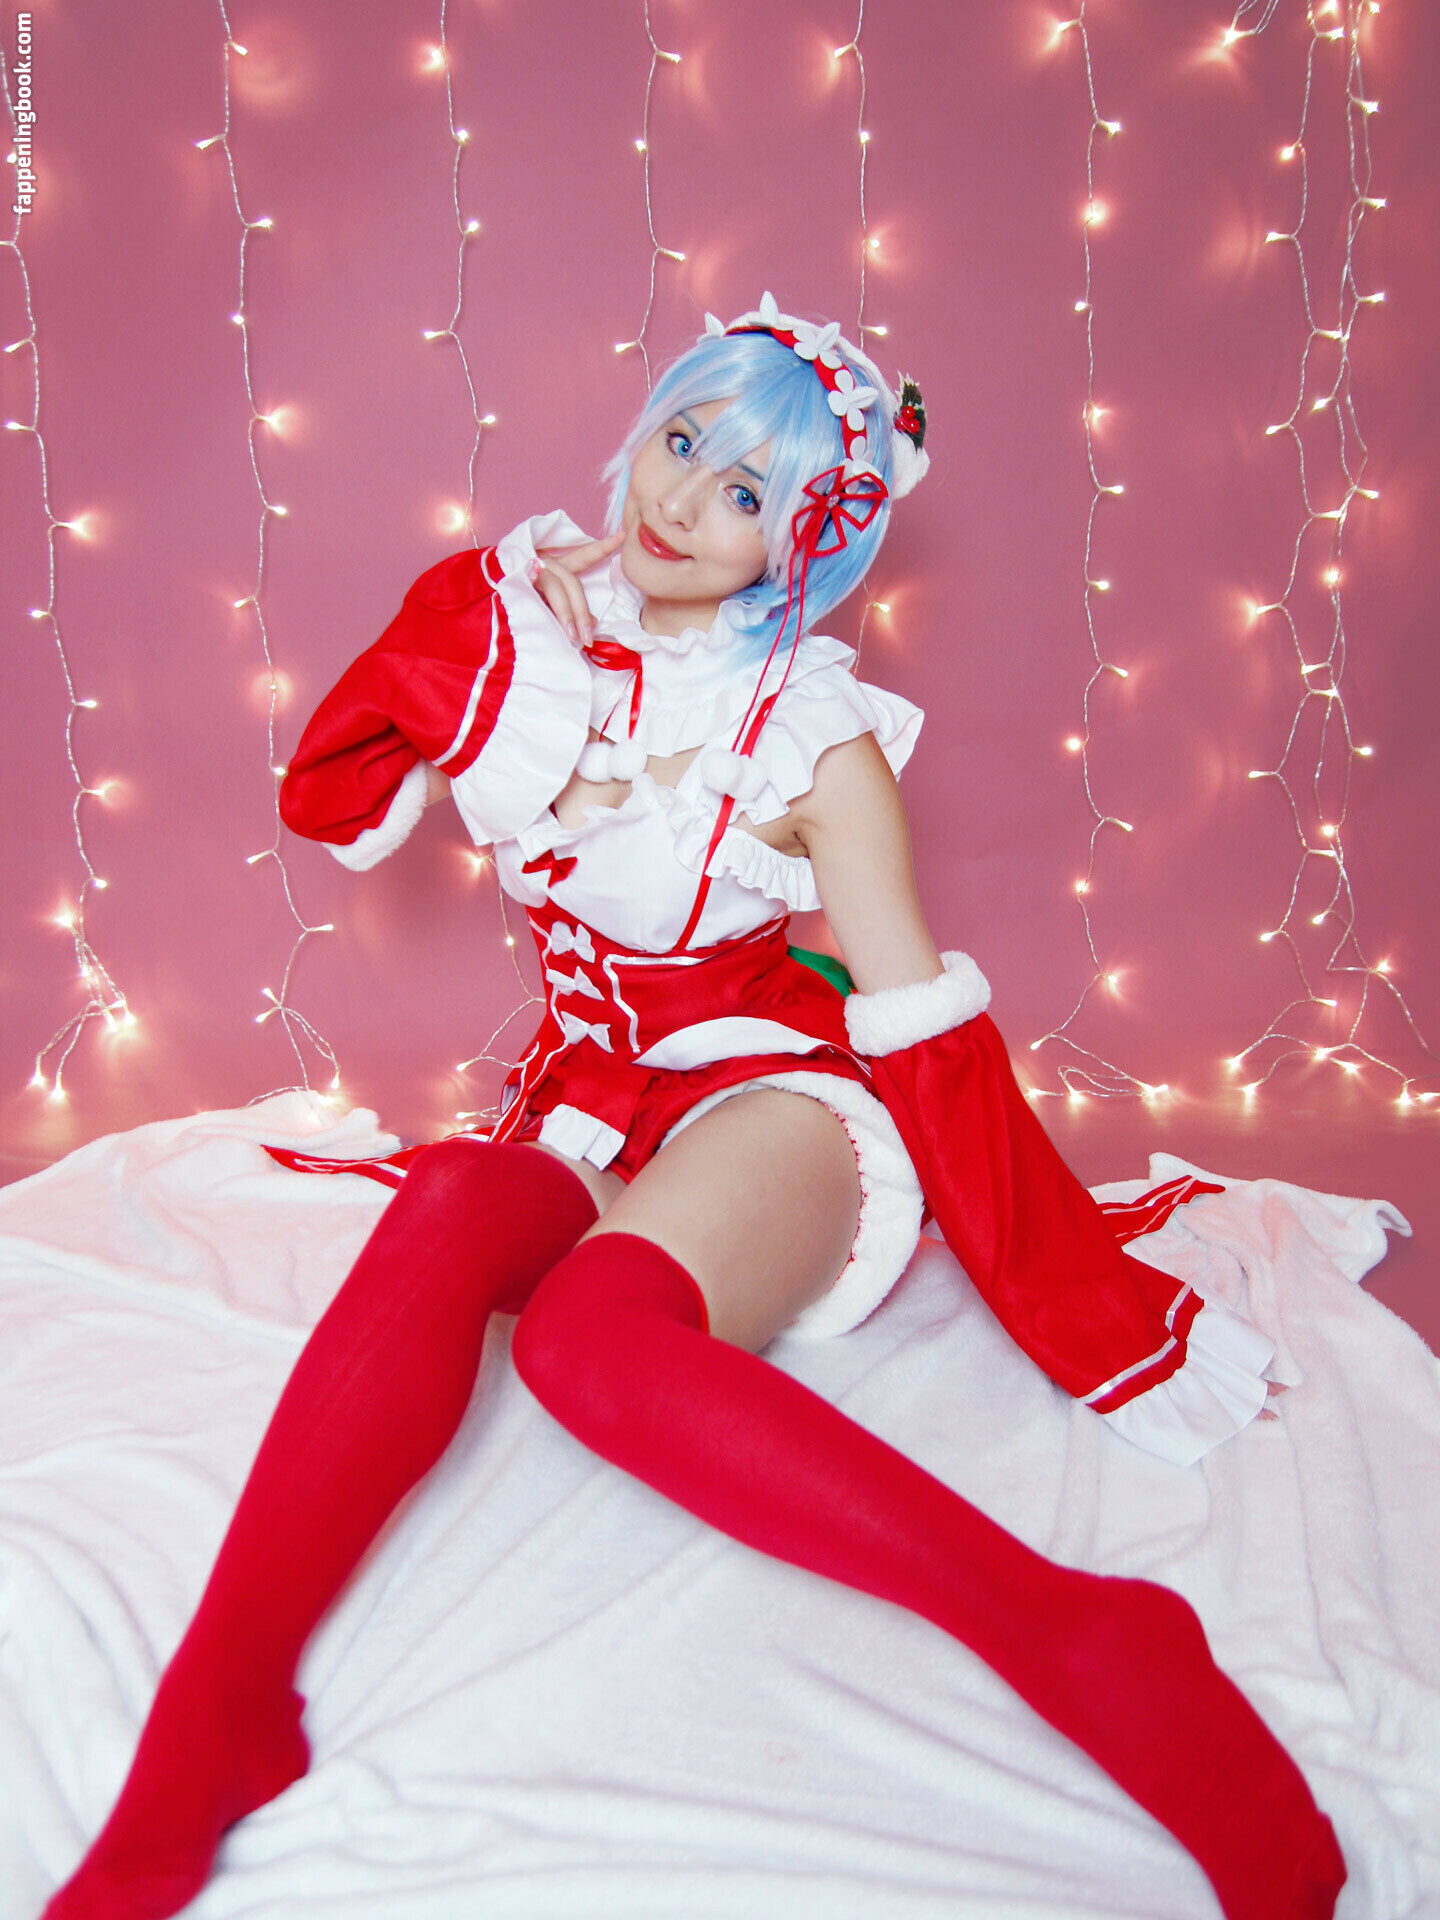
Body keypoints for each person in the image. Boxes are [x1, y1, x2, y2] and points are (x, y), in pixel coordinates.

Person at [41, 295, 1345, 1920]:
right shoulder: (529, 640)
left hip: (775, 1093)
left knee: (588, 1343)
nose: (679, 502)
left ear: (803, 542)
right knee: (452, 1198)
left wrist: (1065, 1286)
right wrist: (476, 613)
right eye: (682, 442)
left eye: (745, 494)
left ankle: (1080, 1634)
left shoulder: (814, 740)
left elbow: (919, 1024)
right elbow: (340, 786)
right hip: (594, 1097)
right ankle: (226, 1703)